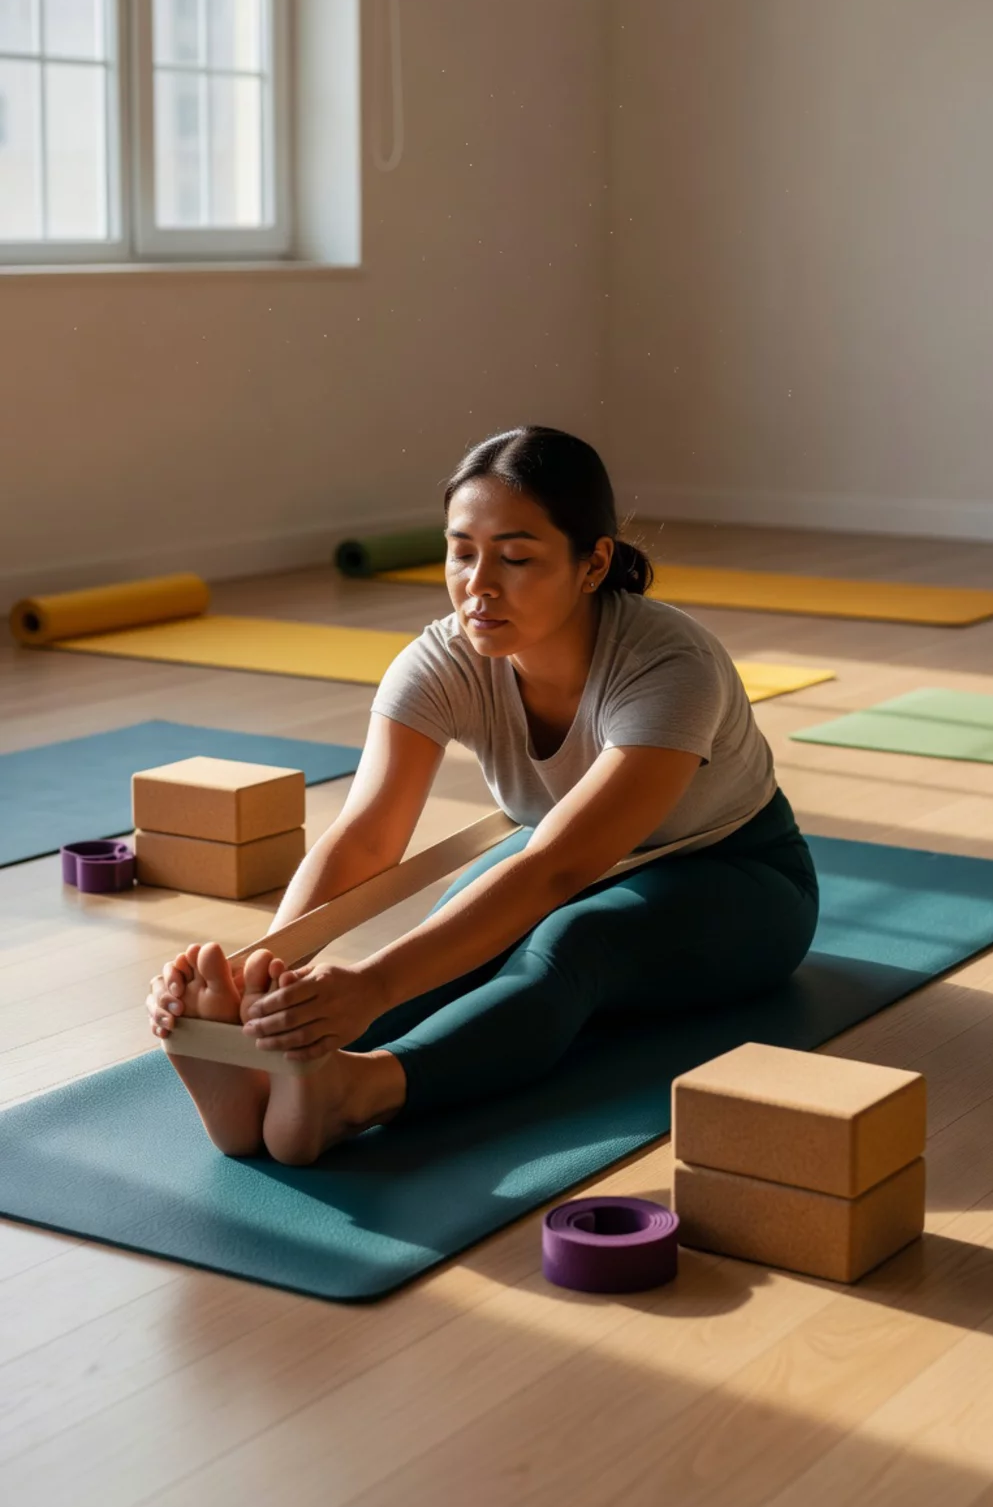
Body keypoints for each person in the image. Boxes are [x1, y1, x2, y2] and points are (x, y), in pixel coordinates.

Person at [147, 425, 819, 1166]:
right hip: (556, 861)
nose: (479, 584)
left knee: (568, 942)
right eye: (462, 551)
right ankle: (266, 1068)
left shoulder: (670, 666)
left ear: (593, 563)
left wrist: (371, 985)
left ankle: (362, 1089)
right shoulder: (439, 659)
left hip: (739, 877)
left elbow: (560, 867)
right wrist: (264, 970)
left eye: (517, 557)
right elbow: (368, 835)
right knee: (450, 944)